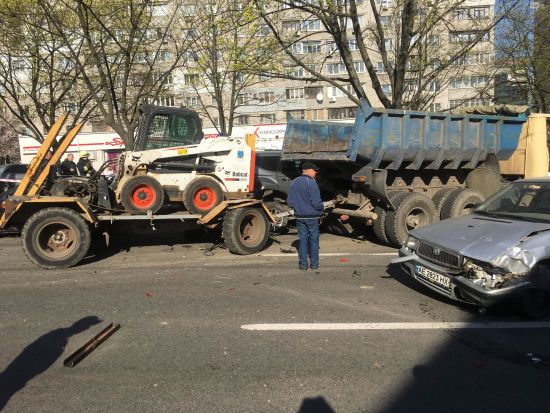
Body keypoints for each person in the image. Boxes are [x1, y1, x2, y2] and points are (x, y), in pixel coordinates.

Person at [287, 161, 324, 271]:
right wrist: (321, 208)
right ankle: (314, 265)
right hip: (312, 217)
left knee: (302, 240)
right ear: (307, 170)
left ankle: (303, 265)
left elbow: (290, 202)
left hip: (299, 216)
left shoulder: (294, 182)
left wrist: (299, 207)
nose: (316, 172)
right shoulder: (312, 182)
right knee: (314, 240)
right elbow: (316, 203)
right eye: (314, 170)